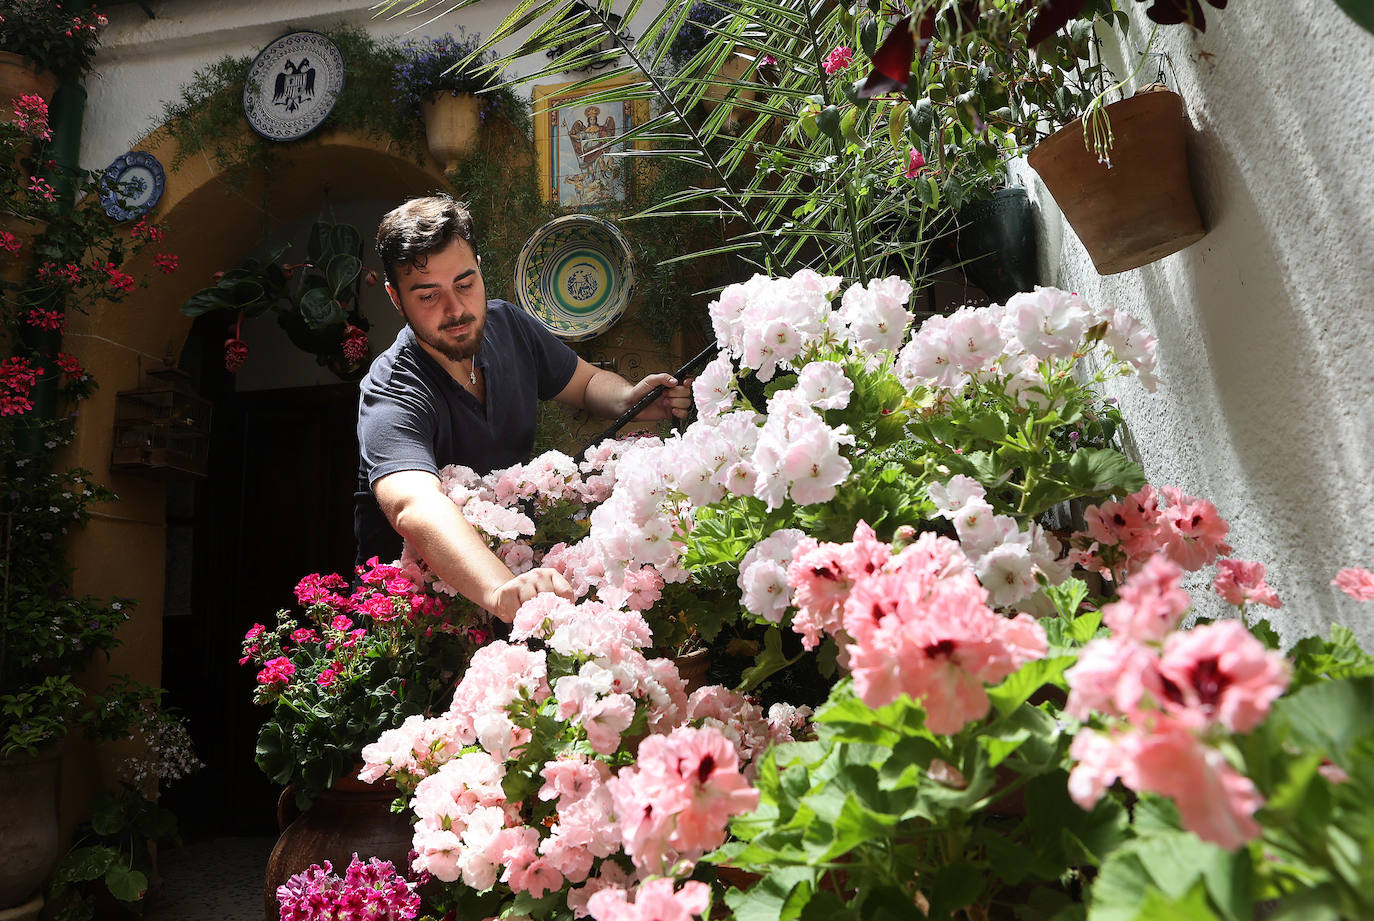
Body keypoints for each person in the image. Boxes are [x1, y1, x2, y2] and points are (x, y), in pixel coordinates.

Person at [354, 194, 691, 623]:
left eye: (465, 283)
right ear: (396, 299)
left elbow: (585, 382)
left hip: (511, 591)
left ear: (479, 267)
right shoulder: (393, 389)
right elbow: (414, 505)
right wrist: (498, 589)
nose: (456, 309)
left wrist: (629, 399)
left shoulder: (507, 325)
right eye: (428, 296)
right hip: (415, 619)